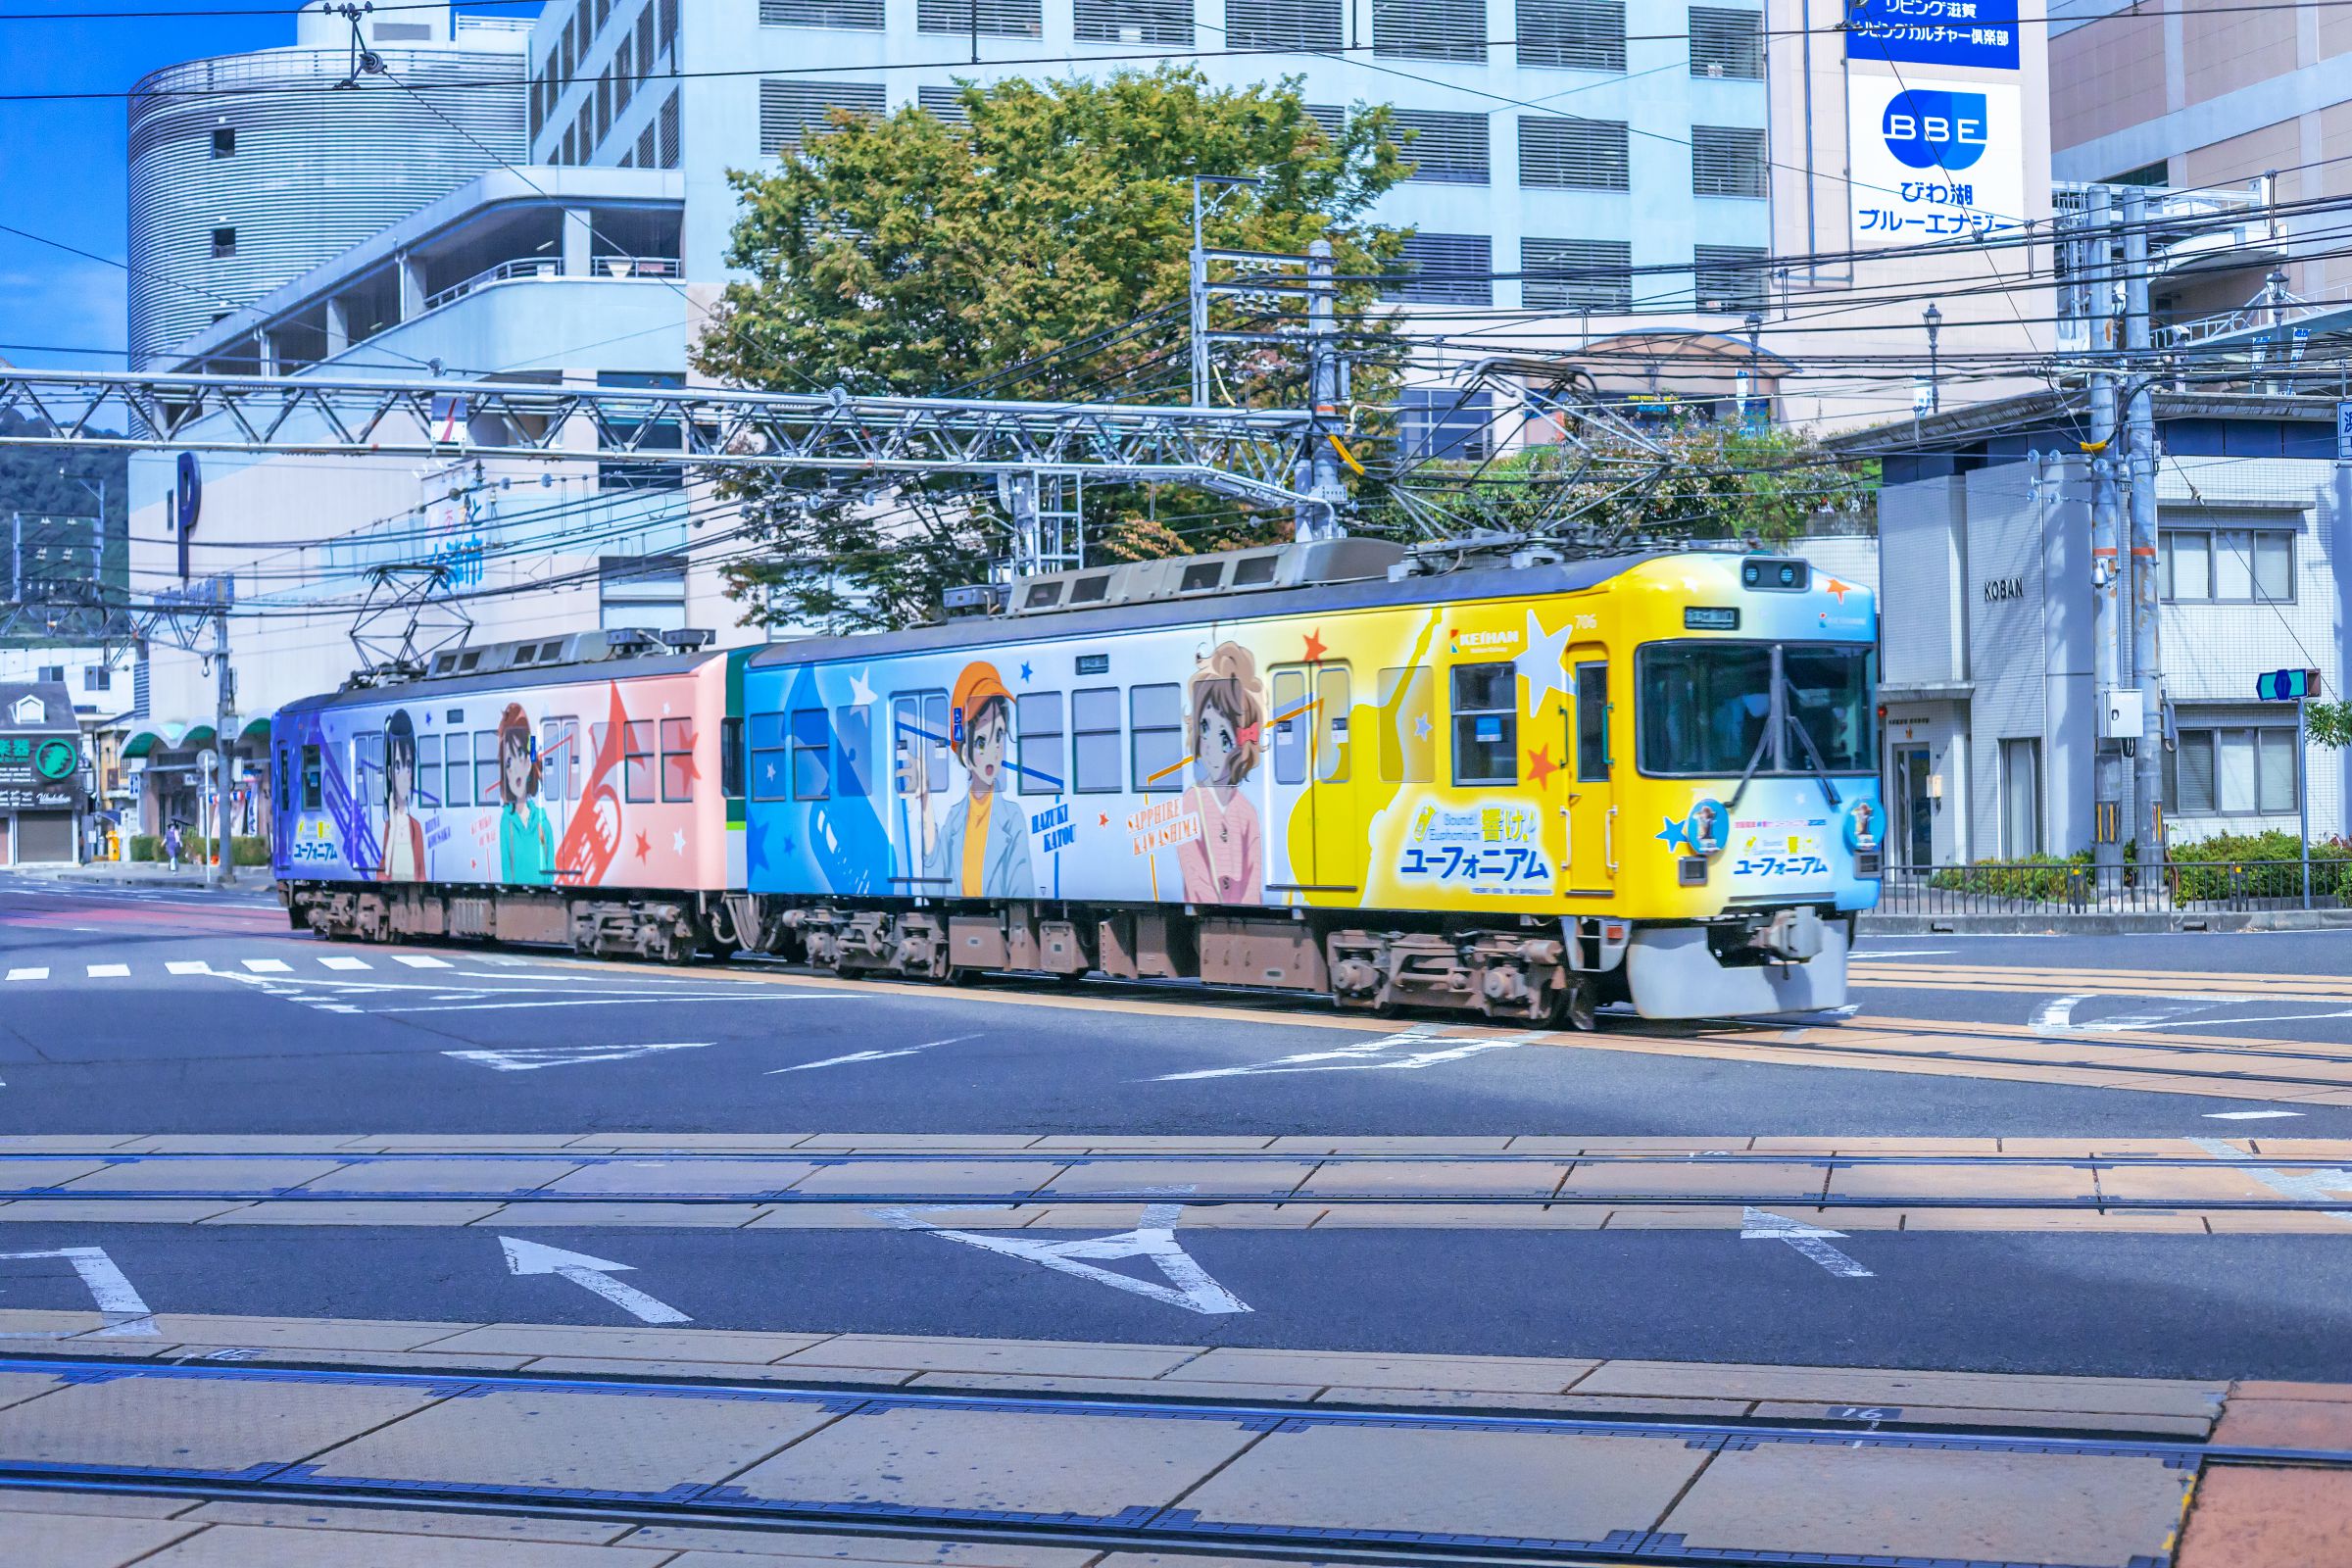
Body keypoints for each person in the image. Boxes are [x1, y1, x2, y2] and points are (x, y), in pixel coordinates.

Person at [906, 662, 1034, 898]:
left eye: (999, 736)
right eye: (981, 742)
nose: (994, 751)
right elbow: (933, 886)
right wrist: (925, 801)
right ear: (965, 752)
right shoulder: (954, 819)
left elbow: (1022, 888)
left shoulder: (1013, 819)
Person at [1177, 643, 1266, 905]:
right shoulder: (1191, 803)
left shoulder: (1246, 811)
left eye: (1224, 737)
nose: (1212, 747)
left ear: (1241, 743)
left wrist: (1249, 904)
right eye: (1205, 728)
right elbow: (1194, 874)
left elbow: (1254, 875)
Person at [496, 703, 555, 885]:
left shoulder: (543, 820)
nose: (515, 768)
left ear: (529, 762)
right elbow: (506, 874)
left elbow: (550, 870)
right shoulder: (506, 822)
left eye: (521, 755)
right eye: (508, 762)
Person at [377, 710, 427, 882]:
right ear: (390, 772)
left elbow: (422, 876)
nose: (405, 774)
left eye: (408, 765)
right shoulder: (388, 828)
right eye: (398, 766)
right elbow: (383, 872)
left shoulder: (416, 828)